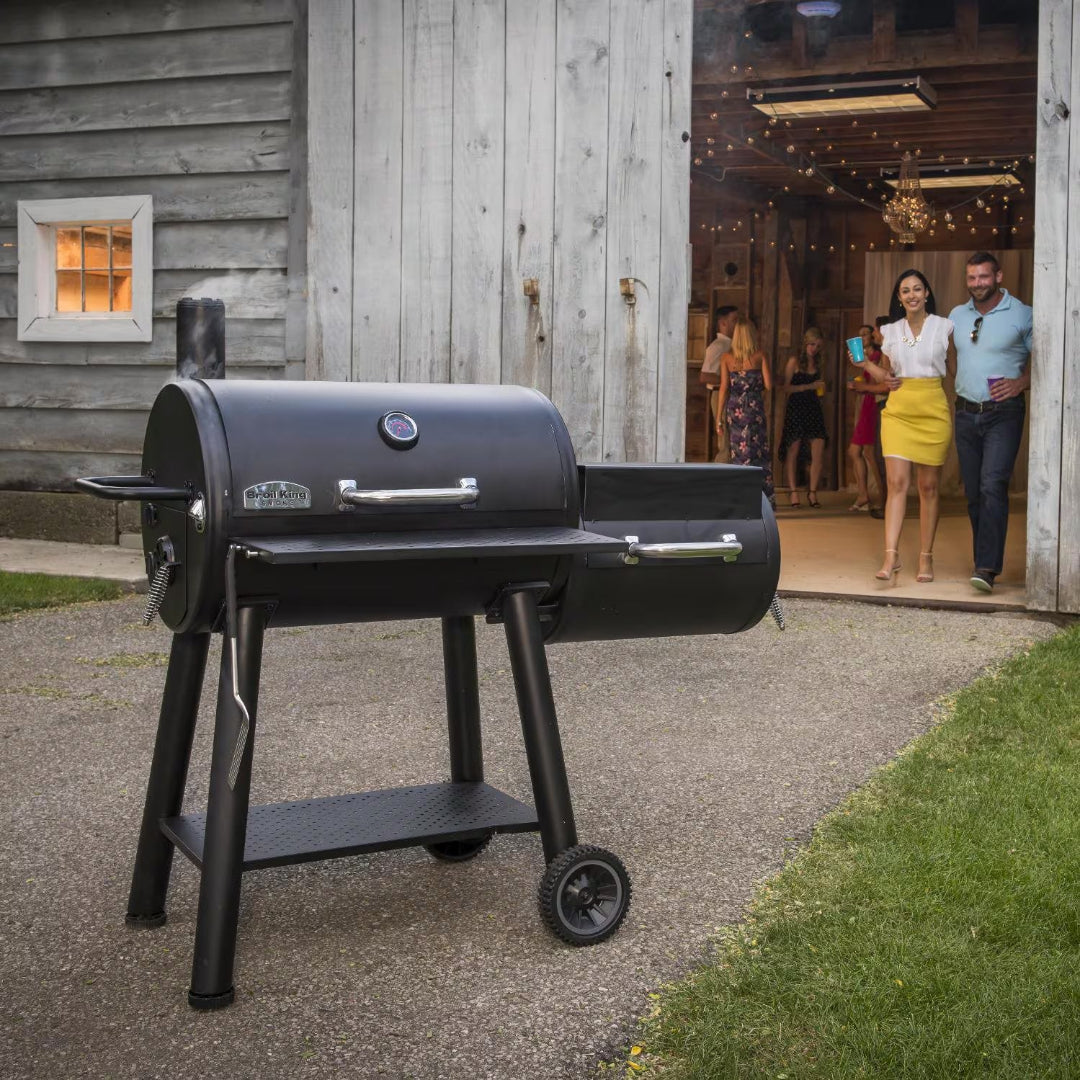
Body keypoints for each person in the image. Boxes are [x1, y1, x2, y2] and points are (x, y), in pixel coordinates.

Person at [857, 269, 953, 583]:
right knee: (897, 484)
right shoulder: (890, 331)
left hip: (932, 409)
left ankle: (926, 558)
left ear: (927, 293)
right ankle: (891, 556)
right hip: (898, 411)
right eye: (905, 291)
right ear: (899, 298)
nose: (911, 295)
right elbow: (888, 377)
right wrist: (865, 366)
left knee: (928, 487)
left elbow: (950, 369)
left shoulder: (945, 326)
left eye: (916, 289)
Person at [948, 252, 1032, 594]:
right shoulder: (956, 315)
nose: (977, 284)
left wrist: (1021, 382)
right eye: (972, 278)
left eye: (983, 277)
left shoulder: (1023, 314)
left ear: (998, 276)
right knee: (972, 493)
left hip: (1004, 412)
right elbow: (949, 355)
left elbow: (1050, 357)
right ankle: (984, 560)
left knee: (991, 485)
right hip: (965, 413)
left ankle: (986, 567)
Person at [716, 316, 774, 507]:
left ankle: (741, 498)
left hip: (735, 409)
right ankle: (763, 499)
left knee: (738, 452)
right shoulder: (760, 356)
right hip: (754, 408)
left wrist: (719, 417)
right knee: (758, 452)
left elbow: (724, 388)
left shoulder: (726, 358)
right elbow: (769, 385)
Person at [779, 327, 827, 508]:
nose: (814, 349)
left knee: (818, 449)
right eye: (812, 344)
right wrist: (809, 386)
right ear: (805, 343)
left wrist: (820, 388)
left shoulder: (819, 363)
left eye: (818, 346)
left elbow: (820, 388)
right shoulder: (794, 361)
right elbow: (786, 388)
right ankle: (793, 492)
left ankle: (813, 492)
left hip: (814, 407)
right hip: (796, 407)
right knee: (793, 450)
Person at [846, 323, 886, 513]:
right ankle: (864, 494)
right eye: (859, 335)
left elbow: (880, 380)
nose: (861, 338)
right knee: (855, 452)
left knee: (870, 453)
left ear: (872, 337)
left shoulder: (878, 356)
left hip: (874, 403)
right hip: (865, 403)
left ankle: (883, 495)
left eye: (865, 335)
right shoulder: (864, 358)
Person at [700, 306, 739, 459]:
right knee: (726, 445)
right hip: (720, 395)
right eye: (734, 320)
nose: (737, 324)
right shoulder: (718, 346)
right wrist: (732, 380)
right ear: (723, 323)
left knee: (734, 443)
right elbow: (705, 376)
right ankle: (717, 481)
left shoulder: (732, 345)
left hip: (731, 396)